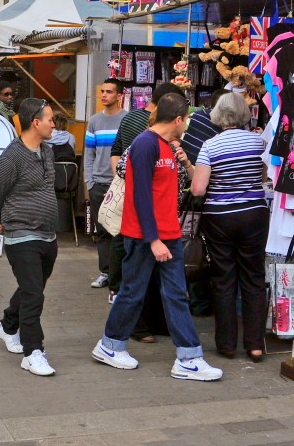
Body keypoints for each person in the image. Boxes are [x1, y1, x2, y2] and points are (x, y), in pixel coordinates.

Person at [91, 93, 222, 381]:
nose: (186, 124)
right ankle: (110, 345)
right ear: (177, 119)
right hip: (145, 236)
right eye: (186, 119)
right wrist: (153, 239)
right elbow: (139, 196)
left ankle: (188, 357)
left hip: (166, 234)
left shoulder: (164, 145)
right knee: (133, 292)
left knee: (174, 294)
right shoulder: (145, 144)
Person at [190, 92, 269, 361]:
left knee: (224, 279)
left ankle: (226, 345)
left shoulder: (210, 146)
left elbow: (198, 189)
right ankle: (255, 345)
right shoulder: (259, 142)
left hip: (220, 217)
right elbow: (264, 175)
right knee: (254, 278)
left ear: (218, 115)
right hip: (254, 215)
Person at [0, 98, 60, 376]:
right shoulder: (11, 157)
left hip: (47, 233)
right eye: (50, 119)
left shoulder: (48, 151)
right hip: (21, 233)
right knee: (33, 294)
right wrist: (2, 220)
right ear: (35, 122)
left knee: (34, 287)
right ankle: (33, 351)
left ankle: (6, 325)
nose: (54, 124)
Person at [107, 82, 184, 307]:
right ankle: (118, 336)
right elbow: (124, 165)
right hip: (145, 224)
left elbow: (116, 154)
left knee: (160, 289)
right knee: (135, 288)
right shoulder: (148, 139)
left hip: (162, 223)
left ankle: (181, 339)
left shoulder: (164, 138)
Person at [84, 78, 126, 290]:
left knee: (121, 231)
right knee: (102, 231)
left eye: (109, 92)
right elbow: (89, 154)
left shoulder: (127, 119)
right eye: (102, 91)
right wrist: (89, 182)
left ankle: (120, 274)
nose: (104, 95)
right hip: (99, 184)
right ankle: (105, 272)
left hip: (120, 184)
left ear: (119, 95)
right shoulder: (94, 121)